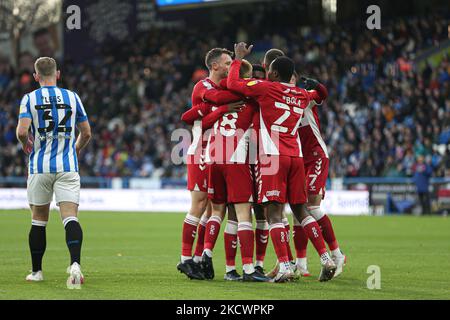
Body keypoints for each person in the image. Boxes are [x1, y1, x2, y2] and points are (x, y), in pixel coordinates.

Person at [228, 42, 336, 282]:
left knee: (275, 213)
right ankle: (326, 258)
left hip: (272, 157)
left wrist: (237, 58)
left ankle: (286, 266)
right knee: (301, 210)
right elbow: (322, 94)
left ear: (274, 74)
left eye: (269, 71)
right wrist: (315, 83)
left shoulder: (266, 88)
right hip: (296, 157)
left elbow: (233, 83)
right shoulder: (301, 94)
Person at [16, 57, 91, 289]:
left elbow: (21, 132)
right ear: (57, 74)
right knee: (70, 217)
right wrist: (74, 149)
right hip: (67, 166)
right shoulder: (73, 97)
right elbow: (86, 133)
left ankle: (37, 272)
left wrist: (27, 147)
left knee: (39, 220)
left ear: (36, 77)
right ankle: (75, 264)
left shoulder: (29, 98)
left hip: (40, 167)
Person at [177, 48, 242, 280]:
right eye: (227, 63)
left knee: (210, 208)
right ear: (214, 66)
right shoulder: (203, 87)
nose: (229, 66)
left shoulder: (223, 88)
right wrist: (228, 106)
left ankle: (197, 258)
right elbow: (214, 105)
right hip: (201, 151)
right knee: (199, 202)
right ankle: (185, 259)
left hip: (217, 153)